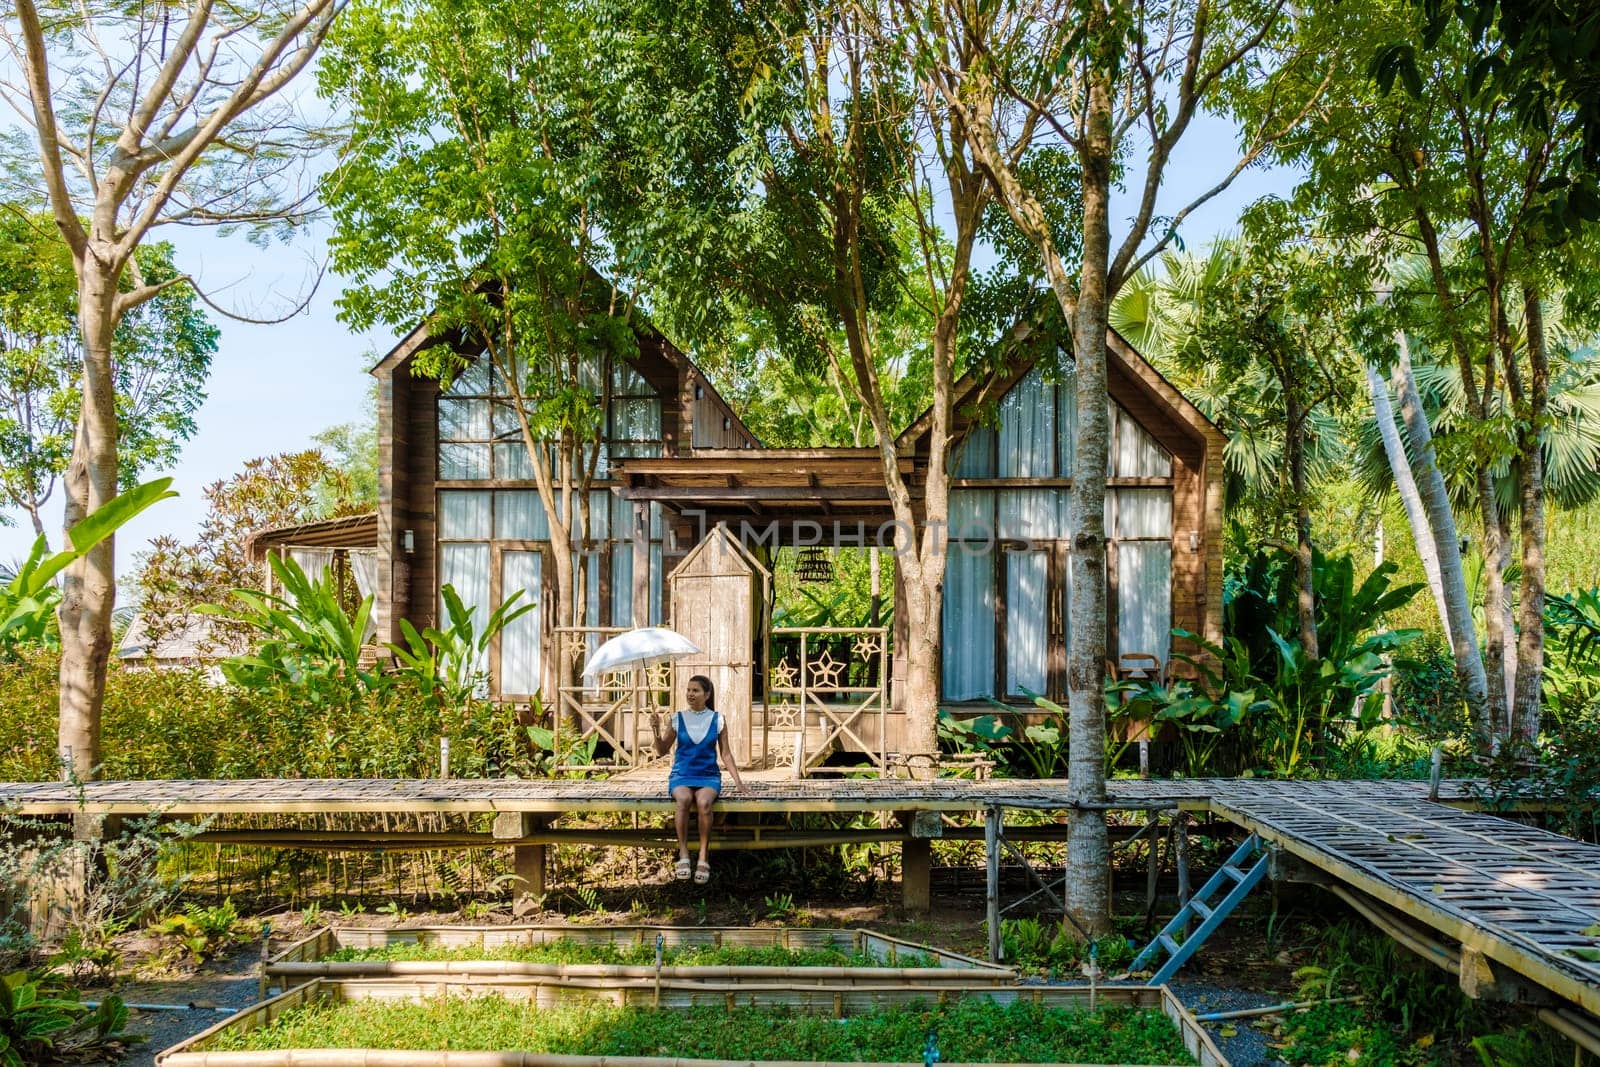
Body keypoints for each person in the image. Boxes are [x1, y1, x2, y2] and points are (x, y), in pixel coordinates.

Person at [651, 674, 743, 884]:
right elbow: (662, 750)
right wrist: (655, 729)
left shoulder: (718, 719)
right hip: (681, 774)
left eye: (695, 690)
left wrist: (738, 782)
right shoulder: (677, 718)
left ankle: (703, 855)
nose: (690, 694)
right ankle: (683, 852)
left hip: (708, 775)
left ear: (706, 694)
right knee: (683, 800)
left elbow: (726, 754)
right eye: (688, 690)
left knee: (703, 803)